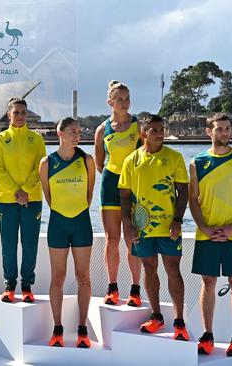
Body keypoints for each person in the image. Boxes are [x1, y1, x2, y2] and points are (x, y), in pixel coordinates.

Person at [190, 113, 232, 357]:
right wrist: (204, 227)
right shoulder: (197, 162)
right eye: (219, 129)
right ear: (209, 132)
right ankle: (207, 336)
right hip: (206, 233)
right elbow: (193, 202)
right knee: (208, 282)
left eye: (228, 129)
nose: (225, 133)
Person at [118, 114, 189, 340]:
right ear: (143, 133)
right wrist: (128, 225)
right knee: (149, 269)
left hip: (169, 227)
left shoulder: (175, 157)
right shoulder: (131, 161)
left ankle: (179, 322)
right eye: (154, 130)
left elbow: (183, 192)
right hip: (142, 227)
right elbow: (124, 196)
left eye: (162, 129)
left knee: (173, 270)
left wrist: (178, 220)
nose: (160, 133)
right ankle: (157, 316)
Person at [38, 117, 95, 348]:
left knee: (83, 277)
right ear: (60, 133)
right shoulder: (47, 163)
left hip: (81, 222)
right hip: (58, 224)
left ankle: (82, 329)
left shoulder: (87, 160)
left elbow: (89, 194)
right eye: (72, 131)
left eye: (79, 132)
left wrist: (77, 211)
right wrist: (63, 213)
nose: (77, 135)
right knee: (58, 278)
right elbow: (49, 197)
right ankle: (58, 328)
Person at [0, 97, 46, 303]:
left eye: (23, 112)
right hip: (6, 199)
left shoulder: (36, 139)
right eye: (16, 112)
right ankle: (9, 285)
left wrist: (25, 190)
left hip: (32, 199)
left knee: (30, 243)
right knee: (9, 244)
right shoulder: (0, 139)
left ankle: (27, 285)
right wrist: (16, 191)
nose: (20, 116)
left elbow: (39, 168)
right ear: (9, 115)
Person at [93, 80, 142, 306]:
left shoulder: (138, 126)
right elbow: (100, 164)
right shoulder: (102, 129)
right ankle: (112, 288)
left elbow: (145, 156)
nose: (124, 103)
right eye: (120, 99)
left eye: (127, 98)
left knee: (132, 238)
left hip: (134, 186)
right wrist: (117, 176)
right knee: (112, 239)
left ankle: (135, 289)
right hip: (111, 184)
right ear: (110, 102)